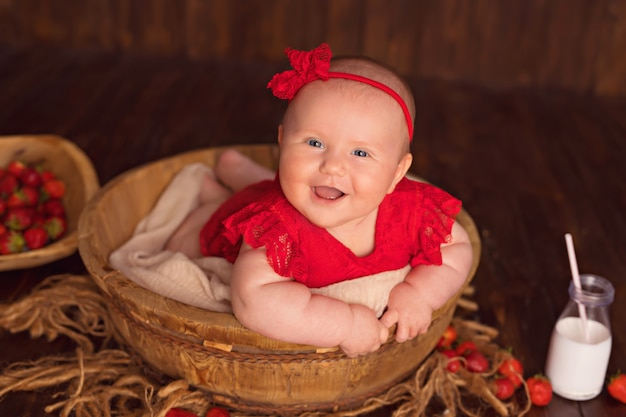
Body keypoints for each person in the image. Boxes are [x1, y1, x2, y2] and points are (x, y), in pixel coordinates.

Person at [166, 43, 474, 357]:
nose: (333, 166)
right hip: (245, 213)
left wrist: (419, 293)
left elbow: (458, 247)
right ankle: (214, 195)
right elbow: (253, 301)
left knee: (294, 183)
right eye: (315, 142)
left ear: (397, 173)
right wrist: (345, 324)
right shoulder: (276, 229)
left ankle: (239, 171)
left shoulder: (409, 209)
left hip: (295, 188)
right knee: (186, 242)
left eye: (360, 153)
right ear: (283, 142)